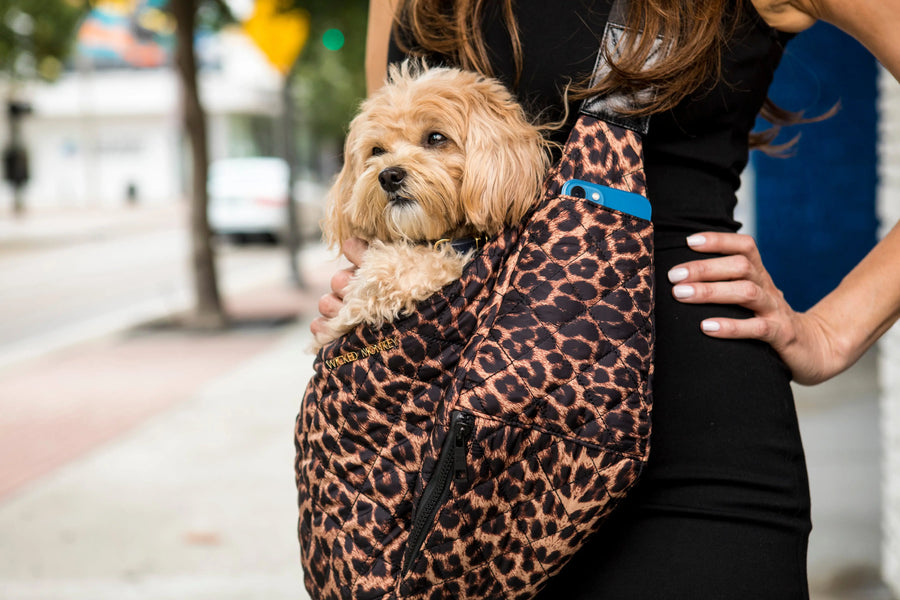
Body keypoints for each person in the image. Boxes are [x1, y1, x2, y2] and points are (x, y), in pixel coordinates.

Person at [311, 0, 900, 597]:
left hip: (685, 458)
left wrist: (834, 330)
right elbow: (383, 179)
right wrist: (376, 288)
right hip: (457, 479)